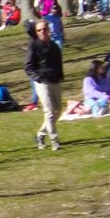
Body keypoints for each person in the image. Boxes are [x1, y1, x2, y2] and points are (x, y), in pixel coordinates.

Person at [25, 18, 64, 151]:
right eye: (39, 30)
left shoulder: (54, 46)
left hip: (55, 80)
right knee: (49, 111)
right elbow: (28, 67)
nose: (42, 32)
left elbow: (59, 63)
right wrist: (39, 78)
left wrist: (60, 76)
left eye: (44, 29)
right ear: (36, 32)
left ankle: (41, 134)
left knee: (58, 110)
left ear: (49, 30)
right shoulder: (33, 46)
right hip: (42, 82)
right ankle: (54, 140)